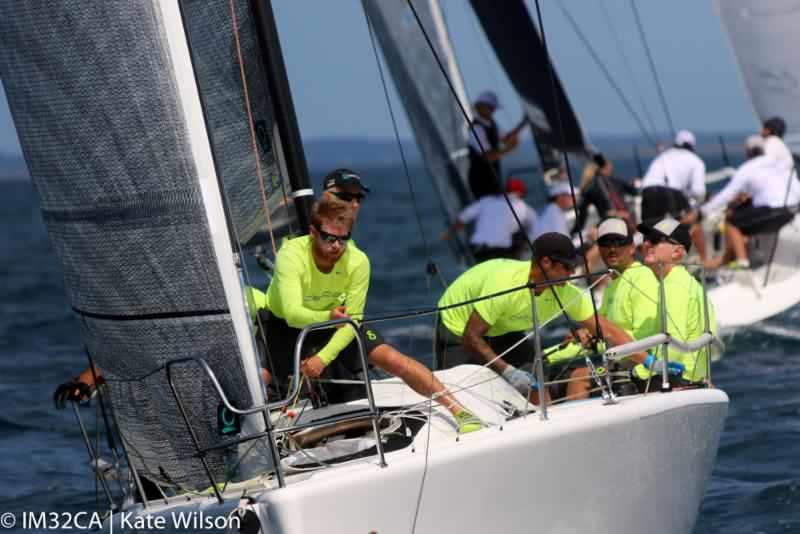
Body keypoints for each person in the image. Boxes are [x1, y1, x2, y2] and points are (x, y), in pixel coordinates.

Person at [260, 198, 481, 432]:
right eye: (329, 238)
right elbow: (293, 314)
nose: (336, 245)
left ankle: (459, 410)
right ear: (313, 232)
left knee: (392, 359)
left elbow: (352, 320)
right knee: (260, 378)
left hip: (338, 320)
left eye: (343, 238)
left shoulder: (357, 261)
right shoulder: (290, 255)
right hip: (285, 325)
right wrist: (328, 318)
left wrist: (322, 358)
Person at [434, 232, 637, 400]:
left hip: (503, 328)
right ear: (546, 263)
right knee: (463, 396)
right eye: (567, 266)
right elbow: (471, 338)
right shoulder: (506, 283)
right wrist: (507, 371)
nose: (573, 271)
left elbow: (608, 331)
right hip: (459, 330)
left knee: (536, 379)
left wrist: (649, 362)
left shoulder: (566, 291)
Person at [560, 218, 660, 399]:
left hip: (637, 365)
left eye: (619, 242)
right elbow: (602, 331)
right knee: (550, 372)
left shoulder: (642, 277)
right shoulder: (612, 284)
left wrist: (598, 337)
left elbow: (645, 337)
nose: (612, 248)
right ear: (599, 249)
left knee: (579, 376)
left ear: (631, 247)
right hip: (615, 358)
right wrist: (585, 334)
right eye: (606, 243)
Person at [633, 218, 717, 391]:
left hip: (678, 382)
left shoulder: (674, 286)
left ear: (677, 253)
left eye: (656, 239)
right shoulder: (680, 281)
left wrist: (638, 371)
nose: (647, 243)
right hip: (688, 380)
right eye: (646, 238)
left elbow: (672, 346)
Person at [702, 135, 799, 270]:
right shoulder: (779, 163)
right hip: (793, 209)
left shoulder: (747, 168)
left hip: (774, 212)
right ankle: (733, 258)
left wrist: (703, 211)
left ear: (747, 152)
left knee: (732, 221)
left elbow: (727, 194)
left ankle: (742, 262)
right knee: (746, 217)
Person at [640, 129, 707, 260]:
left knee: (648, 232)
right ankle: (705, 264)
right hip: (671, 192)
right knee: (691, 224)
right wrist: (694, 204)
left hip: (648, 191)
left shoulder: (663, 156)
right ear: (692, 146)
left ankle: (648, 268)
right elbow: (699, 192)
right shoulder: (696, 161)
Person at [440, 177, 537, 262]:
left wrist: (448, 234)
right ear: (521, 193)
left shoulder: (486, 201)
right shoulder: (526, 208)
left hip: (477, 249)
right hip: (501, 251)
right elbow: (536, 231)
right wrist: (524, 247)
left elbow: (464, 217)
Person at [467, 90, 526, 199]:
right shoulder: (477, 128)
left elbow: (505, 138)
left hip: (493, 176)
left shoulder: (491, 123)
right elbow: (487, 156)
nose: (493, 111)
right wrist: (510, 149)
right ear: (480, 107)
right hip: (480, 179)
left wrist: (523, 124)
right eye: (490, 107)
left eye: (493, 108)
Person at [573, 153, 638, 234]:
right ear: (606, 167)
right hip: (627, 223)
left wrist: (574, 232)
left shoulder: (590, 186)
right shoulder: (616, 181)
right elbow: (635, 191)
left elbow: (582, 213)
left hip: (609, 226)